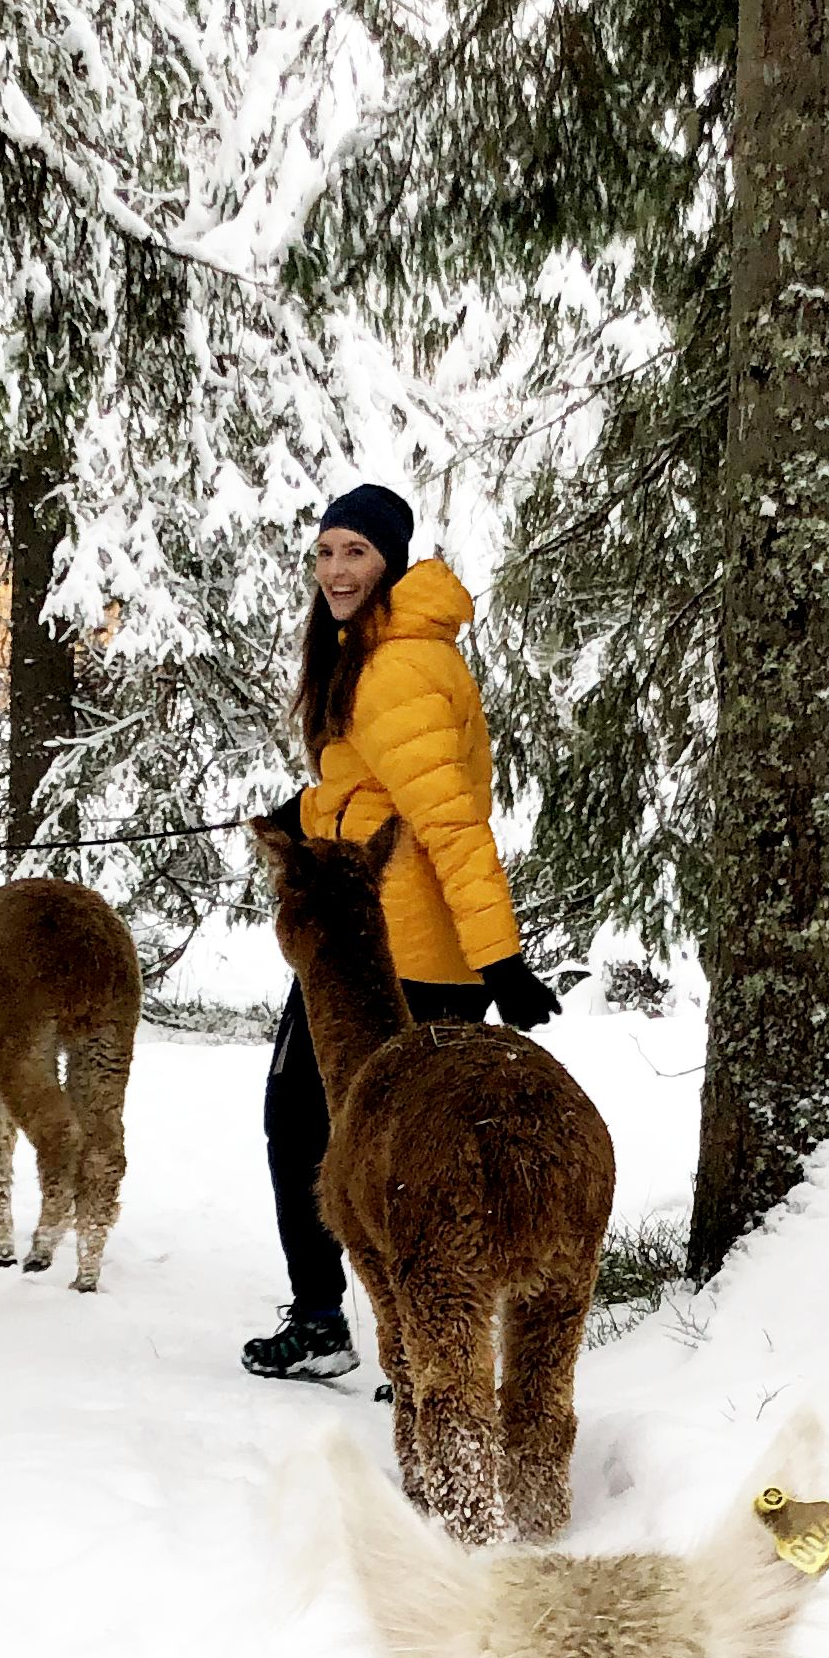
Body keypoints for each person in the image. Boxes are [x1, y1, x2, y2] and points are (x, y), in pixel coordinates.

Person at [242, 484, 559, 1380]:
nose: (336, 571)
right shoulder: (392, 652)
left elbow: (452, 823)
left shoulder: (393, 668)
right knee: (425, 1155)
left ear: (390, 562)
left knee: (307, 1129)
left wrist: (501, 955)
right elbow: (383, 791)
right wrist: (306, 811)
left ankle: (336, 1324)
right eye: (326, 553)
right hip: (407, 945)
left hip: (381, 957)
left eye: (356, 554)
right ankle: (429, 1342)